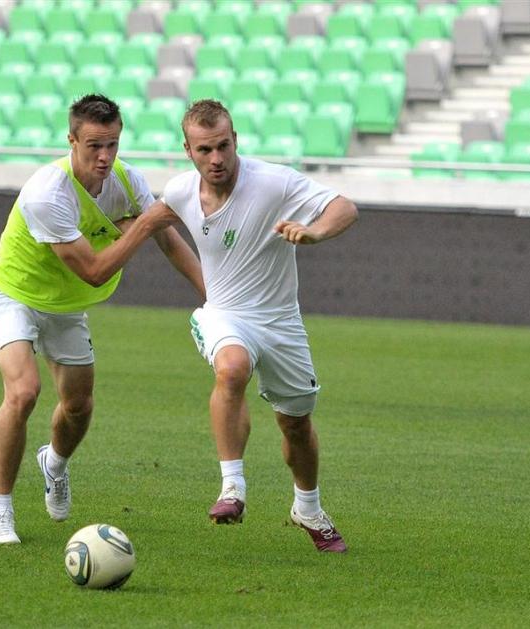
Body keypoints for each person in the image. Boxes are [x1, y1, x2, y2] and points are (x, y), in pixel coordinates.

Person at [0, 94, 204, 544]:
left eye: (113, 145)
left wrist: (212, 294)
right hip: (13, 294)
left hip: (65, 305)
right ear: (72, 140)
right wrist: (139, 224)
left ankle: (54, 464)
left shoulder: (126, 180)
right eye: (94, 146)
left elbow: (168, 239)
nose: (105, 157)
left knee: (79, 405)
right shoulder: (49, 192)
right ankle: (0, 511)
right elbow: (96, 268)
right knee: (24, 393)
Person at [153, 99, 359, 552]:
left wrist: (316, 232)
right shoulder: (180, 191)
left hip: (281, 322)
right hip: (224, 313)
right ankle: (232, 488)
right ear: (187, 150)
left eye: (223, 146)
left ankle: (307, 507)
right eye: (204, 149)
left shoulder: (273, 182)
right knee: (231, 369)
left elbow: (345, 207)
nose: (216, 159)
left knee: (296, 425)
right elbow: (147, 223)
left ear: (235, 140)